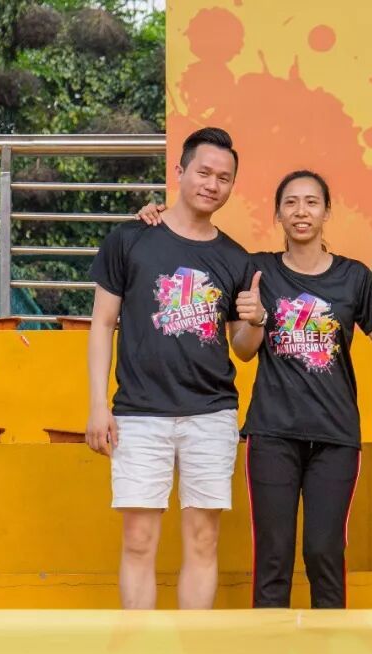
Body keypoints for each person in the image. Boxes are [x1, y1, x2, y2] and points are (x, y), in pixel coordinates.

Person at [137, 170, 372, 609]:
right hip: (272, 434)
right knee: (273, 555)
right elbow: (243, 350)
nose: (301, 211)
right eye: (291, 203)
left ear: (327, 212)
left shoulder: (354, 277)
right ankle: (269, 646)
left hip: (336, 435)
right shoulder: (257, 270)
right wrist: (156, 220)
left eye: (311, 202)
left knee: (324, 552)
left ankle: (332, 645)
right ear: (277, 214)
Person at [85, 127, 266, 609]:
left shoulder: (235, 258)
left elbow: (243, 349)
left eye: (224, 178)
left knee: (203, 541)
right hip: (139, 414)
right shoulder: (130, 239)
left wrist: (257, 320)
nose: (213, 184)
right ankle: (142, 647)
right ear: (180, 171)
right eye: (204, 172)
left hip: (211, 414)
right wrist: (98, 406)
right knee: (138, 540)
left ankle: (194, 645)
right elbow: (102, 324)